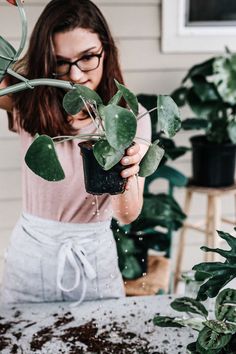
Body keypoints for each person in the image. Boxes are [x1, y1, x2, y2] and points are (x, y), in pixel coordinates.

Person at [0, 0, 151, 305]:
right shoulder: (28, 102)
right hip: (31, 257)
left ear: (105, 49)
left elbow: (125, 215)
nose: (76, 75)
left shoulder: (130, 118)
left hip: (93, 257)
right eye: (60, 62)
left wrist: (128, 168)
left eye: (87, 58)